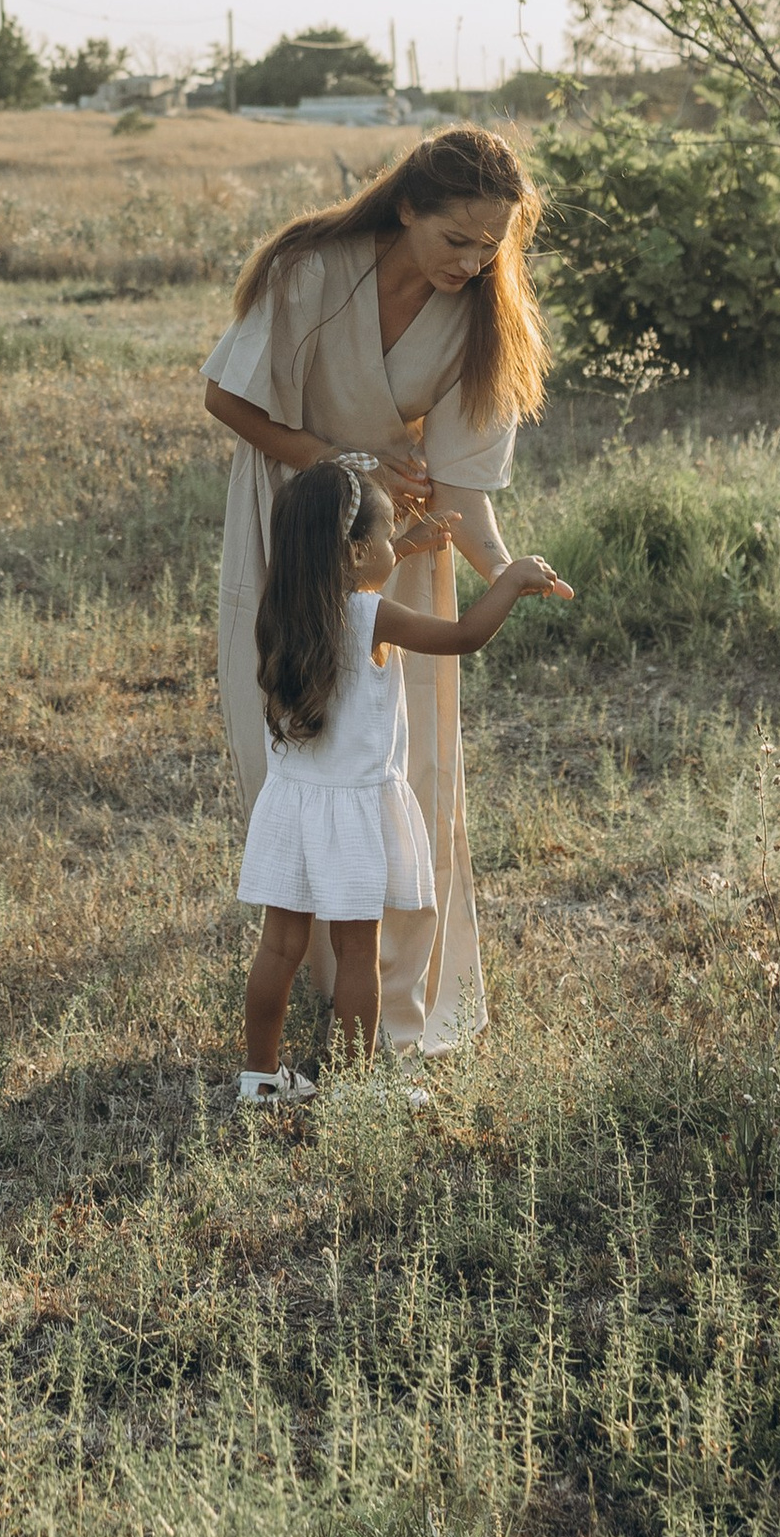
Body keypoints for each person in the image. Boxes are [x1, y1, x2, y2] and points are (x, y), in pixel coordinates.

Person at [203, 124, 548, 1053]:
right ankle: (313, 982)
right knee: (283, 751)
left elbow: (466, 484)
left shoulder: (487, 317)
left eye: (493, 247)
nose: (476, 264)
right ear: (407, 208)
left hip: (390, 547)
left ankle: (393, 1009)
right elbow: (227, 398)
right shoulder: (310, 270)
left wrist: (504, 574)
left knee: (404, 771)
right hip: (292, 523)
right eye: (458, 242)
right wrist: (338, 465)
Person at [237, 456, 573, 1102]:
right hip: (354, 815)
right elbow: (464, 636)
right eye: (389, 537)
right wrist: (512, 578)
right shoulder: (369, 617)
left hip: (294, 807)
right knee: (358, 953)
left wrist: (407, 545)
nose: (398, 545)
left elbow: (356, 578)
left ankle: (258, 1077)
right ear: (358, 553)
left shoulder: (281, 610)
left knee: (279, 947)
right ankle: (361, 1087)